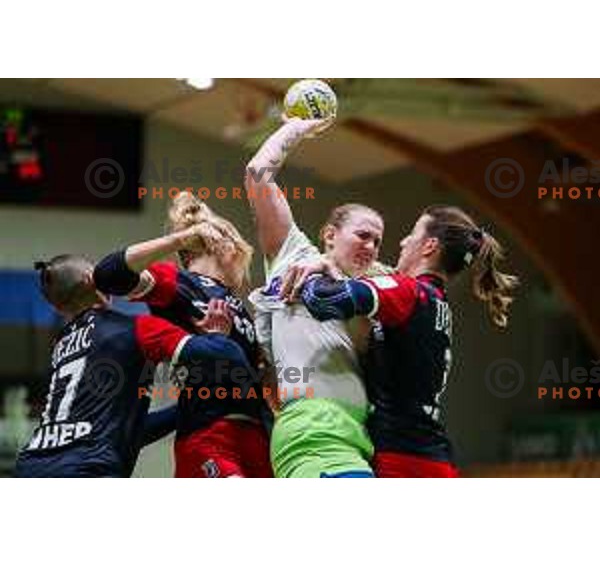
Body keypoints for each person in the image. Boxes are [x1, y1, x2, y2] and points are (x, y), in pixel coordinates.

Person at [296, 205, 519, 477]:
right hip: (431, 458)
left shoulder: (409, 293)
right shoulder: (436, 302)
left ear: (429, 246)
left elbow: (323, 300)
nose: (402, 242)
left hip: (404, 461)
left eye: (412, 234)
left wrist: (320, 268)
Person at [15, 254, 248, 478]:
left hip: (30, 466)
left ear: (58, 307)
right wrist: (218, 335)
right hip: (87, 469)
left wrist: (184, 409)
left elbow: (123, 430)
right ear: (92, 277)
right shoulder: (136, 329)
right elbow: (225, 356)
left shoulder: (61, 346)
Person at [93, 193, 273, 478]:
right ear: (225, 246)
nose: (243, 267)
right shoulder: (181, 283)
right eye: (243, 256)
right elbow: (107, 275)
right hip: (209, 432)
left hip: (258, 434)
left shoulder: (239, 306)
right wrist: (181, 238)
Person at [244, 116, 385, 477]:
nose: (370, 247)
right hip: (313, 429)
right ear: (329, 234)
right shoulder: (294, 253)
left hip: (358, 435)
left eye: (377, 241)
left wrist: (334, 275)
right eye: (363, 235)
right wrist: (297, 127)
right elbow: (258, 172)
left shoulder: (380, 285)